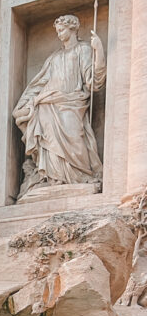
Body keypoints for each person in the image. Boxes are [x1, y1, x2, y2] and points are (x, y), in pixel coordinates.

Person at [13, 13, 106, 198]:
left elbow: (93, 81)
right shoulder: (54, 58)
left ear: (72, 29)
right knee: (49, 142)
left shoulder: (83, 50)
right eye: (57, 31)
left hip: (73, 103)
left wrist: (100, 52)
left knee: (75, 138)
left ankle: (80, 176)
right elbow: (39, 84)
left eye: (62, 30)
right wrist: (24, 104)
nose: (59, 34)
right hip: (48, 105)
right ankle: (53, 179)